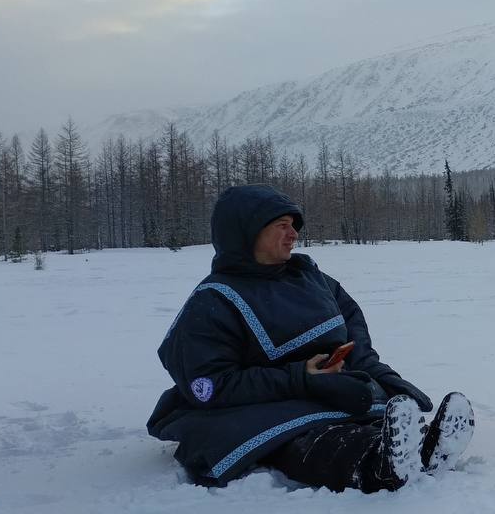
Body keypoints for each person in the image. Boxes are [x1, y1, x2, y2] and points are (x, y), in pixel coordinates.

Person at [146, 184, 473, 491]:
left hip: (327, 391)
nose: (294, 234)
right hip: (260, 407)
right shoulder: (213, 302)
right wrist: (299, 378)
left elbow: (351, 329)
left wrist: (378, 373)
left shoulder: (311, 279)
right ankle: (378, 465)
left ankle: (424, 447)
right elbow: (209, 386)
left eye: (294, 225)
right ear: (246, 232)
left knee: (362, 413)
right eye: (282, 225)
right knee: (310, 439)